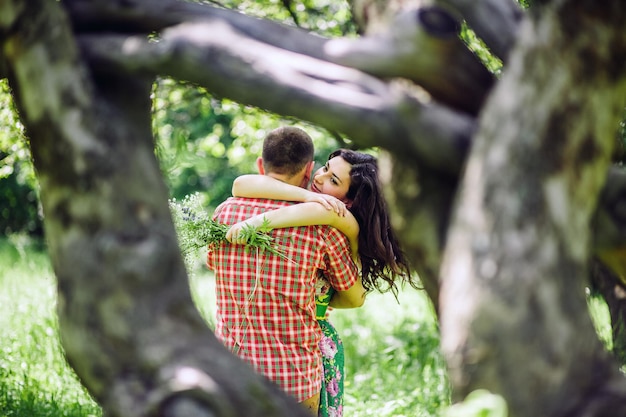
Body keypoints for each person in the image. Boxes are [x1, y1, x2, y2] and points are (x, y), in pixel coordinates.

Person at [227, 148, 416, 417]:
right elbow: (240, 184)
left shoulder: (342, 220)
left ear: (348, 202)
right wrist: (305, 195)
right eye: (326, 167)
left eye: (333, 180)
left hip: (309, 348)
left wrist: (256, 223)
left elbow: (353, 297)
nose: (319, 176)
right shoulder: (312, 202)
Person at [206, 126, 365, 415]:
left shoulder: (223, 214)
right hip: (292, 379)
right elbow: (354, 297)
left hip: (230, 372)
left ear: (260, 164)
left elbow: (214, 264)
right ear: (309, 169)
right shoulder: (323, 231)